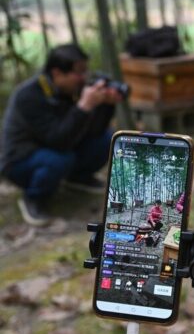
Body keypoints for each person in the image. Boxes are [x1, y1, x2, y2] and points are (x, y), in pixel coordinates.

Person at [1, 44, 122, 226]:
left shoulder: (68, 91)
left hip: (55, 148)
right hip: (19, 160)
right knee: (60, 159)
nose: (84, 78)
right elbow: (58, 140)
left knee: (106, 139)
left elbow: (93, 131)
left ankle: (77, 178)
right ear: (57, 73)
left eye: (85, 72)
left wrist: (106, 105)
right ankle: (33, 198)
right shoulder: (29, 95)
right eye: (79, 73)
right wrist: (83, 107)